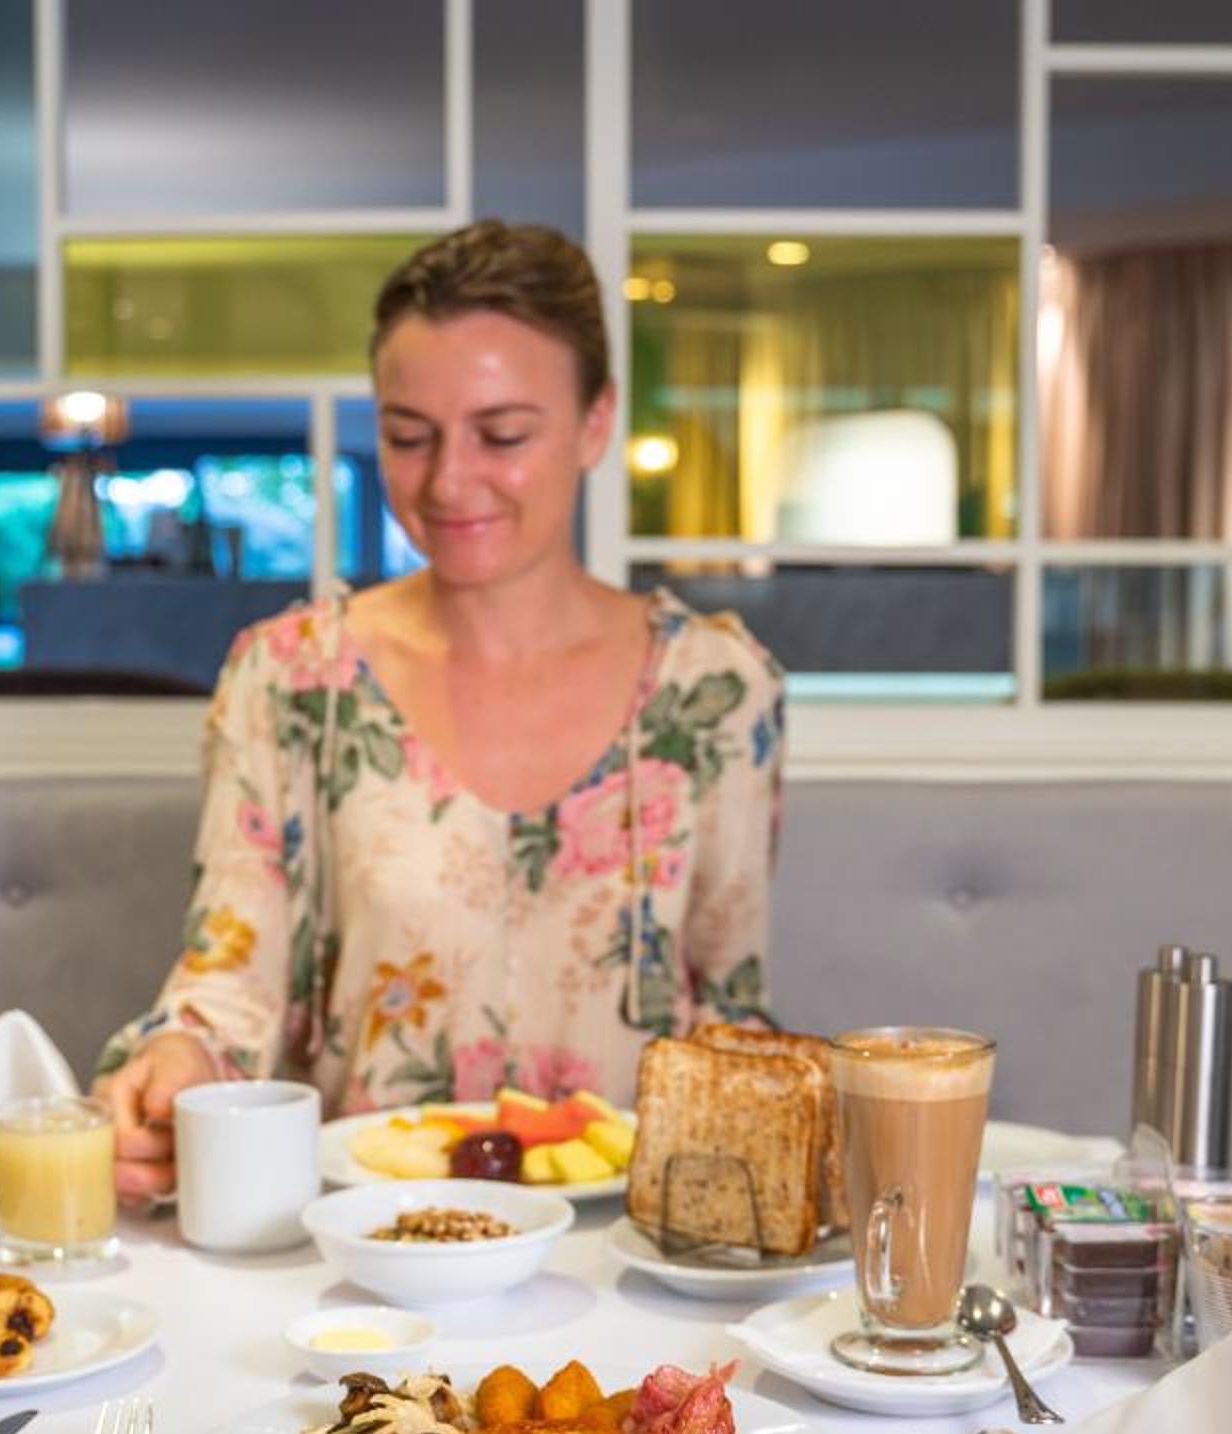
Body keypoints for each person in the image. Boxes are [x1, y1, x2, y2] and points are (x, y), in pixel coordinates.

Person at [93, 221, 786, 1203]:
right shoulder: (289, 677)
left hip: (634, 1245)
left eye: (503, 435)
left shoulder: (716, 689)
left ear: (596, 422)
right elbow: (229, 982)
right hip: (366, 1243)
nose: (449, 481)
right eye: (408, 436)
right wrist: (177, 1063)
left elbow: (729, 1010)